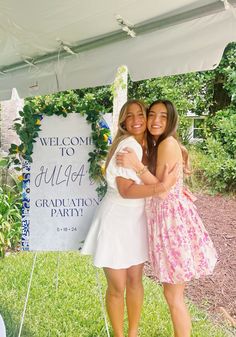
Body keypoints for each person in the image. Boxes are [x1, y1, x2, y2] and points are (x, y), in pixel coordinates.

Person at [116, 99, 217, 337]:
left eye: (163, 116)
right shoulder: (160, 144)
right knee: (172, 295)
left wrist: (136, 165)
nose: (155, 120)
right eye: (152, 115)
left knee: (173, 296)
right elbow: (162, 186)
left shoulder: (167, 144)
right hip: (167, 221)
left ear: (171, 120)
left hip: (172, 224)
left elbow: (161, 190)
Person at [81, 99, 177, 337]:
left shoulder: (145, 146)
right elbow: (126, 190)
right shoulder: (129, 147)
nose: (136, 120)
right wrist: (162, 187)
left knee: (135, 282)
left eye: (140, 115)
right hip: (116, 222)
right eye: (129, 115)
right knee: (118, 287)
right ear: (123, 120)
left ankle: (133, 334)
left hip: (135, 222)